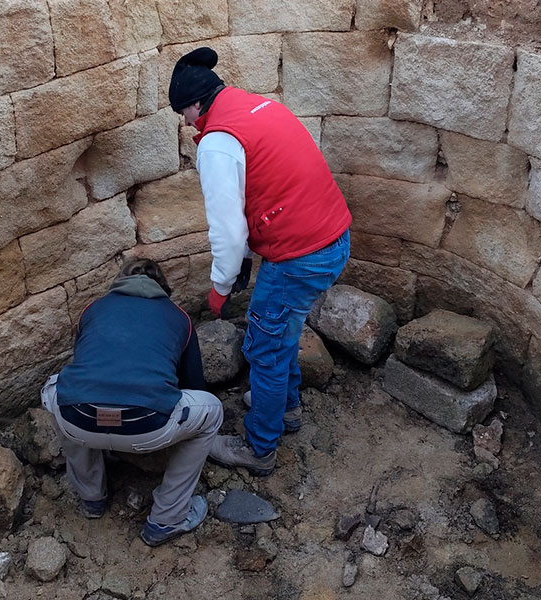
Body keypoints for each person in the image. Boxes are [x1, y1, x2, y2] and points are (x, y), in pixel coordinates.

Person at [168, 47, 352, 476]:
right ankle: (285, 409)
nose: (186, 122)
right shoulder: (259, 106)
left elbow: (228, 231)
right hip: (333, 236)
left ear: (197, 104)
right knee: (282, 329)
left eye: (184, 113)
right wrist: (249, 262)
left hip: (300, 255)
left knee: (264, 348)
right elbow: (266, 191)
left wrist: (220, 287)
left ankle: (259, 447)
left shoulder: (217, 143)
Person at [40, 259, 223, 546]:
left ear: (119, 282)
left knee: (60, 391)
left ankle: (91, 498)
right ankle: (167, 518)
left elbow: (85, 365)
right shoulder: (178, 317)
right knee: (212, 411)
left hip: (79, 420)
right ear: (163, 287)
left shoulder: (93, 309)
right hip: (147, 426)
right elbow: (193, 385)